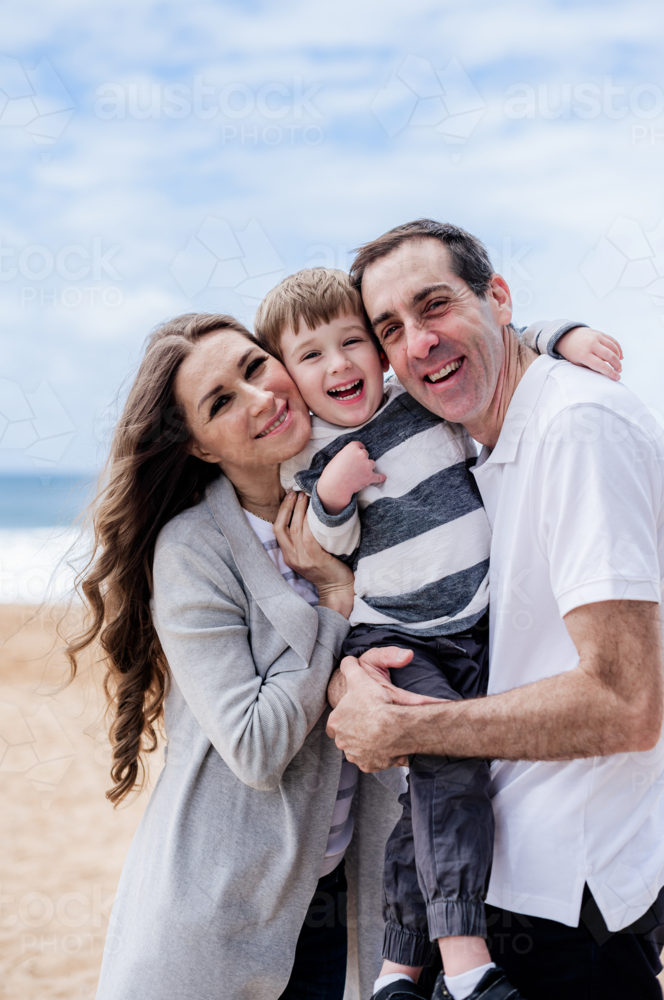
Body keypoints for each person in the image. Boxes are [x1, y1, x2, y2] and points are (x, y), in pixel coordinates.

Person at [254, 268, 621, 1000]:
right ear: (291, 380)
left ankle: (396, 970)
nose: (339, 365)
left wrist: (563, 335)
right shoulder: (311, 453)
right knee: (451, 769)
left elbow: (491, 355)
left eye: (352, 341)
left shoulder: (415, 405)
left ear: (380, 351)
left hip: (473, 629)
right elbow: (330, 538)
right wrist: (332, 492)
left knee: (431, 792)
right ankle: (465, 966)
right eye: (312, 356)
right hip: (398, 640)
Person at [326, 220, 664, 1000]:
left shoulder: (574, 427)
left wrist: (408, 728)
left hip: (568, 903)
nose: (418, 343)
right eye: (391, 330)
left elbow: (626, 703)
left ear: (498, 299)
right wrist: (358, 675)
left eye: (434, 305)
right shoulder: (476, 443)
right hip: (499, 883)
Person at [66, 311, 411, 1000]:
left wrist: (562, 339)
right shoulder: (195, 551)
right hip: (219, 910)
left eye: (255, 367)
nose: (260, 398)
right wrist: (332, 607)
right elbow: (256, 746)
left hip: (341, 903)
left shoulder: (363, 502)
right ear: (196, 446)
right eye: (220, 402)